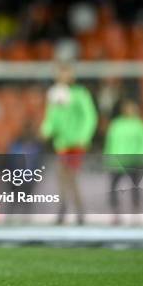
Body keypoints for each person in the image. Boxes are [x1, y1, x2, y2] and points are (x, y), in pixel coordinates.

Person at [40, 63, 97, 225]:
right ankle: (73, 211)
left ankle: (72, 211)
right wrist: (45, 130)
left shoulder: (80, 94)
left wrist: (84, 137)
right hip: (62, 143)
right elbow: (51, 117)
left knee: (69, 175)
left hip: (76, 142)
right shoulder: (55, 94)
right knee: (64, 176)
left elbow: (89, 117)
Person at [103, 99, 143, 225]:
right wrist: (108, 157)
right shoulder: (116, 124)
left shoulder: (140, 125)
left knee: (135, 188)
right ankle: (116, 214)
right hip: (118, 162)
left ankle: (135, 214)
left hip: (134, 161)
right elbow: (110, 142)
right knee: (112, 188)